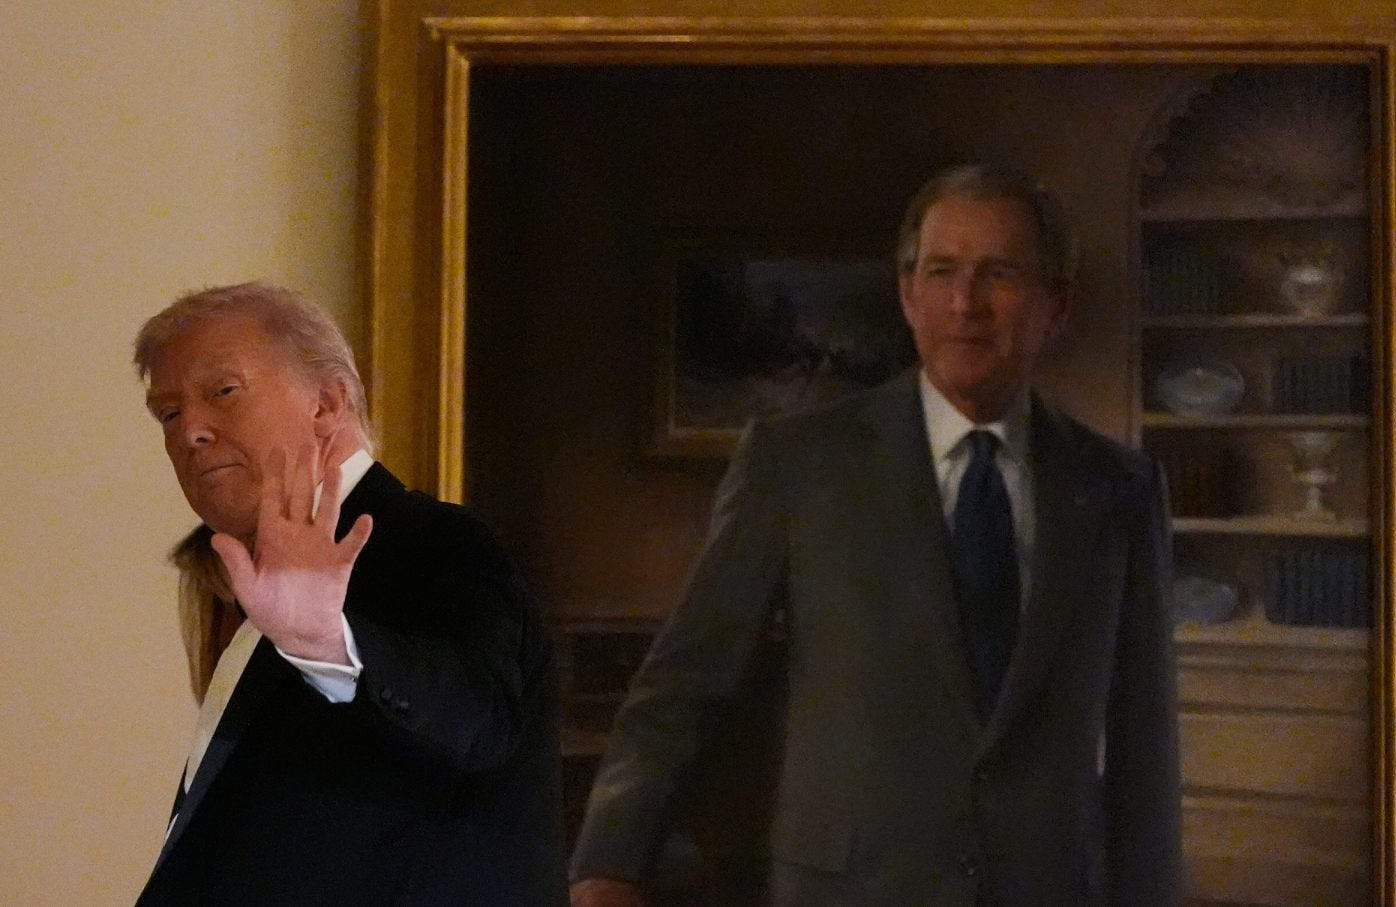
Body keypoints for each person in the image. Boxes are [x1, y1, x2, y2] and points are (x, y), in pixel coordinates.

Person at [569, 164, 1182, 905]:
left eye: (1000, 274)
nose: (966, 303)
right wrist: (607, 866)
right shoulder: (796, 464)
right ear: (907, 294)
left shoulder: (1118, 489)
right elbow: (684, 684)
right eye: (942, 271)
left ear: (1057, 304)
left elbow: (1144, 743)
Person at [132, 282, 566, 905]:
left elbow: (478, 723)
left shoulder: (435, 541)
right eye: (168, 413)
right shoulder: (251, 586)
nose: (189, 432)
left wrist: (326, 643)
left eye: (222, 392)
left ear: (328, 404)